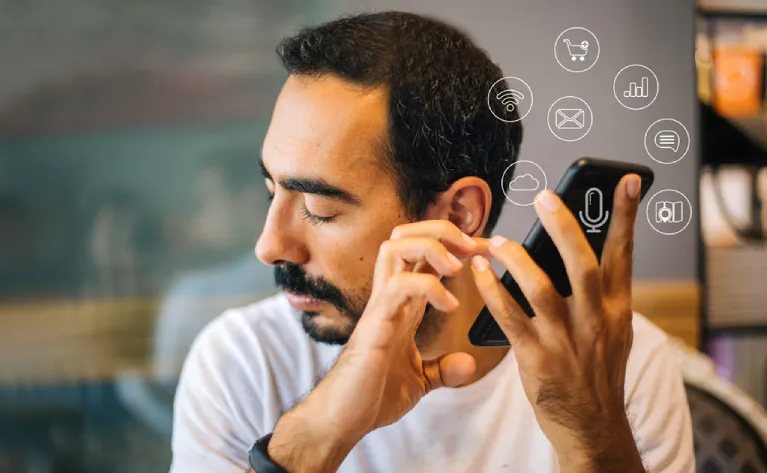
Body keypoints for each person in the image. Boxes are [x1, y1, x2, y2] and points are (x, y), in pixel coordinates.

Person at [170, 11, 694, 473]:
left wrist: (592, 439)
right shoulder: (244, 360)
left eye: (320, 208)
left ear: (460, 215)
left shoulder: (621, 366)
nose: (270, 246)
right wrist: (319, 435)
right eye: (271, 191)